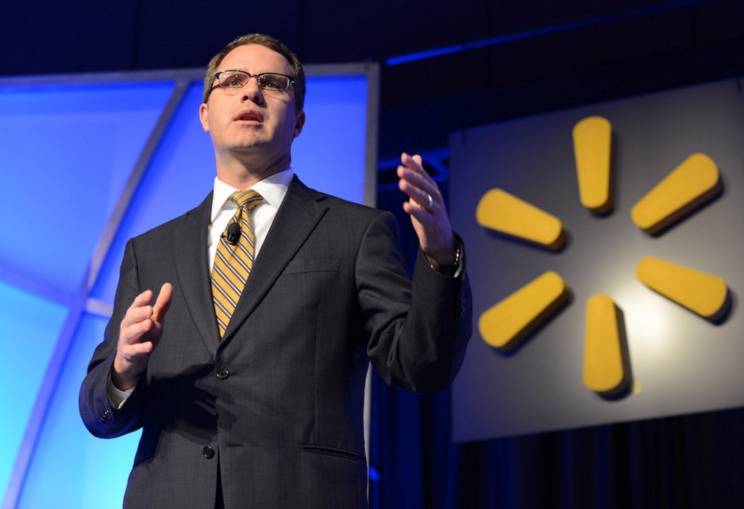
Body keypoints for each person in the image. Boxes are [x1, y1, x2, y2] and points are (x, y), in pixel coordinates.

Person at [79, 33, 472, 508]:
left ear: (299, 121)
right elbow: (100, 413)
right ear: (205, 115)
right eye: (232, 81)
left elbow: (419, 365)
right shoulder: (151, 250)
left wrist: (439, 255)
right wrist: (123, 369)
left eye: (273, 82)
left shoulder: (355, 231)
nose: (251, 92)